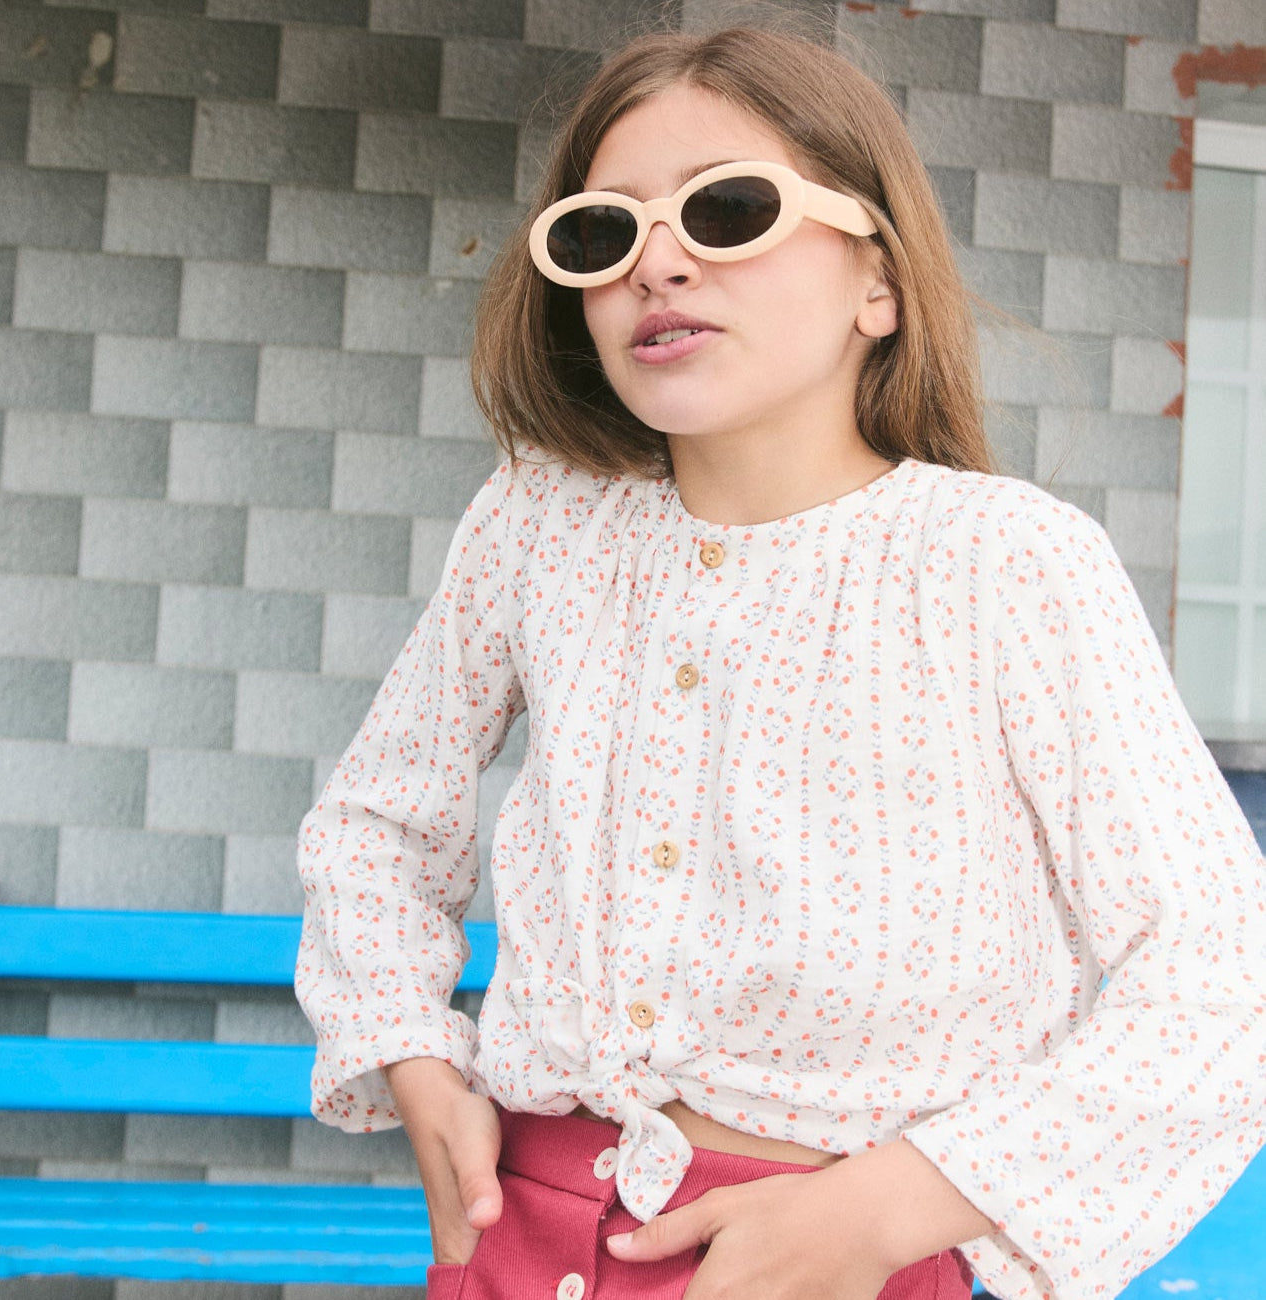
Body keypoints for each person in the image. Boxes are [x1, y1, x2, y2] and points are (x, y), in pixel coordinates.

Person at [294, 24, 1266, 1300]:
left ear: (879, 281)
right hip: (521, 1240)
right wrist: (412, 1050)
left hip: (836, 1262)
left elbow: (1224, 967)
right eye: (601, 234)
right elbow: (376, 822)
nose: (657, 262)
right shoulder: (537, 524)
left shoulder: (1002, 561)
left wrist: (890, 1206)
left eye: (728, 209)